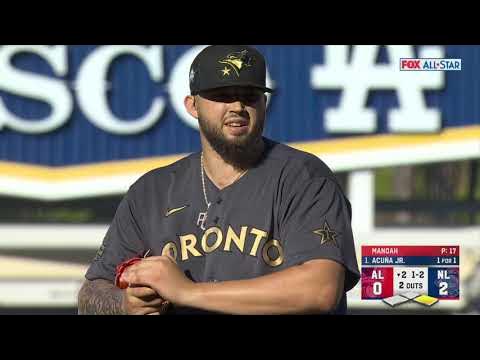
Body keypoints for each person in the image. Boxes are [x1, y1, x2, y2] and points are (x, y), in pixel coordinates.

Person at [77, 45, 360, 315]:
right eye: (222, 95)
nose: (237, 105)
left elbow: (320, 290)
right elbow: (91, 293)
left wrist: (187, 292)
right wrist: (126, 304)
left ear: (264, 103)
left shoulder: (304, 178)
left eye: (249, 95)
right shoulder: (152, 191)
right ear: (192, 105)